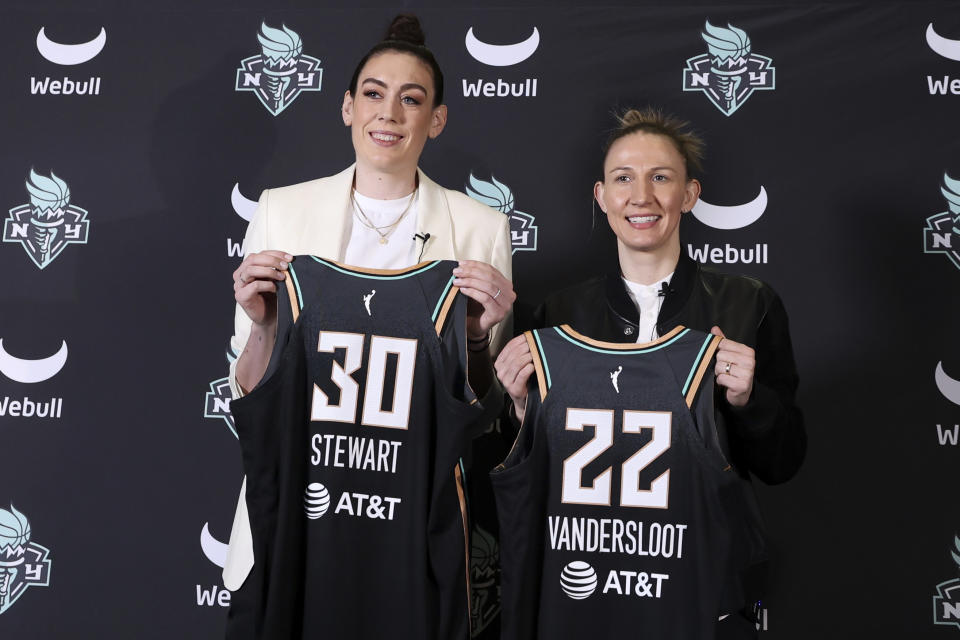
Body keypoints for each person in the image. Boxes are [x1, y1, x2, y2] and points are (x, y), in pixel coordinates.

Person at [221, 12, 515, 622]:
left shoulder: (481, 229)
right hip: (296, 521)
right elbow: (248, 393)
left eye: (412, 100)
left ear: (435, 120)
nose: (390, 114)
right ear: (348, 106)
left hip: (412, 530)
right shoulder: (282, 211)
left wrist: (481, 341)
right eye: (375, 95)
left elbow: (480, 410)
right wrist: (263, 327)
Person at [494, 108, 805, 638]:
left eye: (661, 177)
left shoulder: (747, 304)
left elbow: (783, 462)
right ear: (601, 196)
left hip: (695, 583)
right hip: (581, 582)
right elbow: (529, 471)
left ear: (689, 194)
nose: (641, 196)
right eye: (623, 179)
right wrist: (521, 409)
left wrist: (749, 401)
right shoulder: (558, 314)